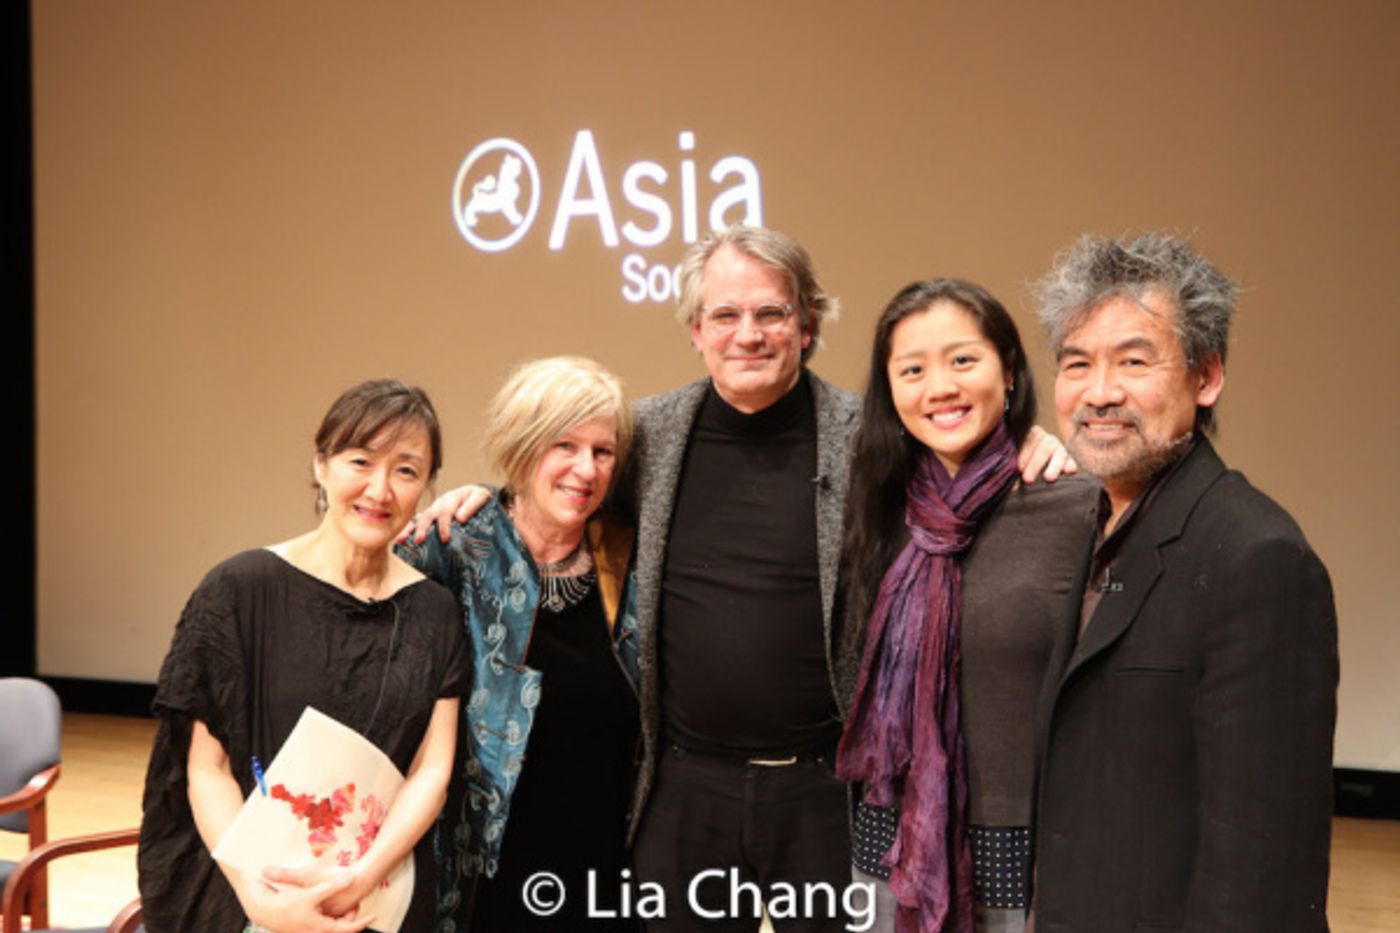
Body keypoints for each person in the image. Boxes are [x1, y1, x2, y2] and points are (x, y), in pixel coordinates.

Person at [414, 226, 1072, 932]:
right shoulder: (651, 434)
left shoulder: (870, 436)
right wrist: (486, 495)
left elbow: (955, 446)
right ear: (697, 330)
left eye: (771, 313)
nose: (748, 334)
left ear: (807, 324)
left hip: (825, 790)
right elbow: (572, 481)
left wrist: (1031, 437)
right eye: (726, 315)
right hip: (683, 790)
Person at [1030, 233, 1338, 931]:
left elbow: (1264, 872)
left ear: (1207, 377)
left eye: (1134, 360)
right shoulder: (1091, 524)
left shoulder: (1258, 557)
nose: (1099, 392)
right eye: (1077, 363)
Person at [138, 379, 468, 933]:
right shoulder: (240, 590)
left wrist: (358, 879)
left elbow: (429, 773)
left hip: (377, 895)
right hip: (252, 896)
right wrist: (257, 896)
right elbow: (207, 769)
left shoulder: (435, 611)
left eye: (406, 471)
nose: (380, 489)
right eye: (360, 461)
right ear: (321, 463)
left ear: (427, 487)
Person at [835, 280, 1098, 933]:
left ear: (1008, 370)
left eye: (963, 360)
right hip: (890, 852)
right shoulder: (876, 506)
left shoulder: (1077, 502)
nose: (939, 387)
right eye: (913, 369)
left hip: (1026, 862)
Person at [396, 356, 641, 933]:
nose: (585, 469)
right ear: (523, 445)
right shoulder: (451, 546)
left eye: (602, 452)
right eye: (564, 445)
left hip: (604, 869)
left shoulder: (631, 560)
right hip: (480, 871)